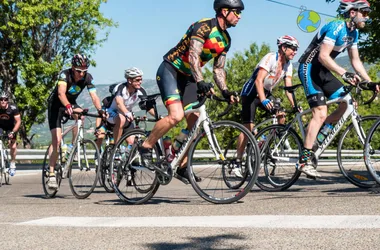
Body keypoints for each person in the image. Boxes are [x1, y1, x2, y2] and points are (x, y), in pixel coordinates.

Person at [137, 0, 243, 183]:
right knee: (176, 116)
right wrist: (201, 81)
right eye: (237, 12)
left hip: (188, 77)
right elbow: (194, 56)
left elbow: (218, 69)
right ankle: (146, 146)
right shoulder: (204, 26)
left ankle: (182, 165)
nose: (239, 17)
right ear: (224, 11)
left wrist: (225, 91)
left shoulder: (226, 40)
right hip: (171, 69)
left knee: (194, 123)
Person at [296, 0, 375, 178]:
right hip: (309, 68)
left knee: (348, 104)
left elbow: (356, 62)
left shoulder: (353, 34)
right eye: (365, 12)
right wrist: (344, 73)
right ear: (352, 12)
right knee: (320, 112)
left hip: (324, 71)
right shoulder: (336, 26)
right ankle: (304, 160)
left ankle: (318, 134)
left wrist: (369, 82)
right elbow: (323, 56)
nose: (367, 17)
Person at [234, 35, 299, 178]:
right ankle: (237, 161)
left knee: (281, 114)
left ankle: (268, 141)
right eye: (293, 49)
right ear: (283, 48)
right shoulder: (270, 58)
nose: (295, 52)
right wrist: (263, 100)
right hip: (251, 93)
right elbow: (258, 81)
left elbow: (288, 88)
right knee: (248, 128)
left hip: (265, 93)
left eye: (296, 49)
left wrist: (294, 105)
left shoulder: (288, 65)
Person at [46, 53, 106, 190]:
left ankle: (73, 147)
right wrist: (67, 106)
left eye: (84, 71)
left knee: (81, 117)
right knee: (57, 140)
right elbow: (61, 93)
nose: (81, 74)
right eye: (79, 71)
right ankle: (51, 174)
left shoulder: (88, 78)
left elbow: (94, 96)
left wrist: (100, 110)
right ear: (73, 68)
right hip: (56, 106)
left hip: (70, 103)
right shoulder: (64, 75)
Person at [94, 67, 155, 157]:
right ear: (129, 80)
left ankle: (123, 164)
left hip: (126, 116)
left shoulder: (140, 91)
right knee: (121, 119)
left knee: (132, 142)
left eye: (141, 80)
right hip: (112, 113)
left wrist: (158, 116)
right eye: (137, 80)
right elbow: (119, 103)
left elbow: (147, 107)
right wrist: (127, 113)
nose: (140, 82)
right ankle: (116, 147)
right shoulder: (121, 88)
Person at [0, 92, 21, 176]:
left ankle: (12, 164)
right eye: (1, 99)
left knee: (12, 146)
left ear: (8, 101)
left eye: (5, 99)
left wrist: (13, 132)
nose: (3, 101)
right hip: (0, 126)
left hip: (10, 127)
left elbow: (18, 121)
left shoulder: (13, 108)